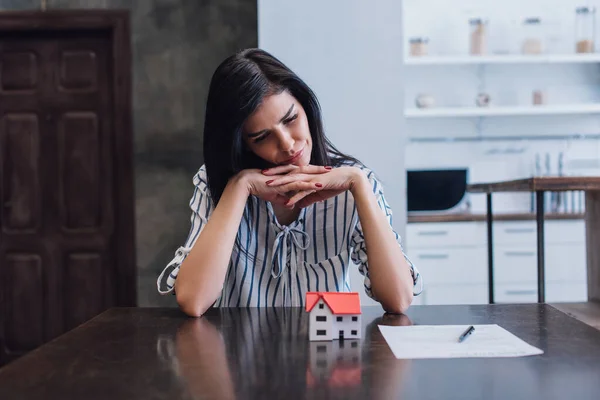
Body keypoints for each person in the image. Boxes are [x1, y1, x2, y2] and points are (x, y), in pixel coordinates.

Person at [157, 48, 423, 317]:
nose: (286, 144)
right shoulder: (216, 184)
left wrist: (360, 184)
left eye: (290, 119)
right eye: (262, 137)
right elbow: (194, 300)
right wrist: (239, 187)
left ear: (305, 106)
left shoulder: (353, 184)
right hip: (242, 355)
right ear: (241, 144)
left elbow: (399, 299)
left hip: (330, 352)